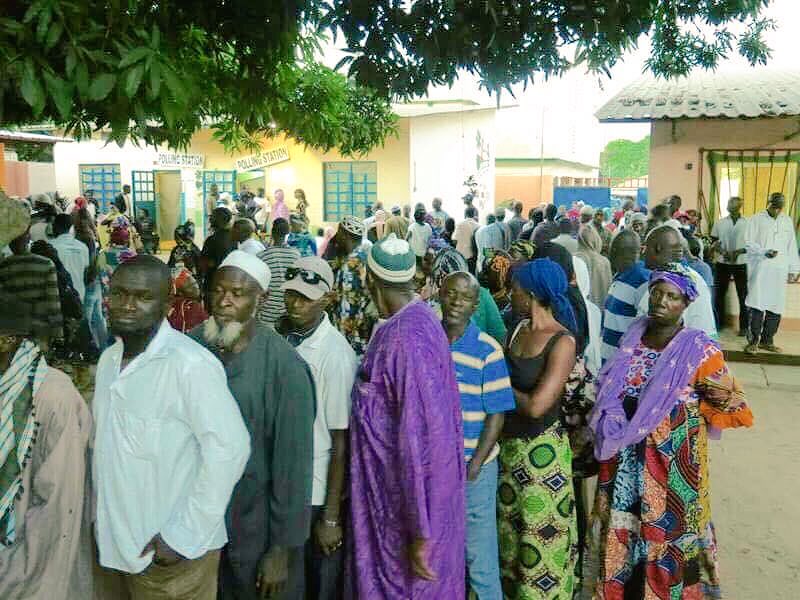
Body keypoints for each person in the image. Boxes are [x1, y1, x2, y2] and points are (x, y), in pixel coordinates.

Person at [589, 267, 753, 599]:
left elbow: (732, 404)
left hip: (671, 472)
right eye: (657, 293)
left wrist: (678, 415)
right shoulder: (633, 337)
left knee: (668, 542)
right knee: (623, 536)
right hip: (622, 466)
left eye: (672, 297)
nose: (662, 301)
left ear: (685, 304)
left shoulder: (698, 349)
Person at [93, 255, 250, 599]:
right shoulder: (108, 362)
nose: (127, 306)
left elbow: (231, 450)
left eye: (143, 297)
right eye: (119, 294)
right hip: (118, 548)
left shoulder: (189, 365)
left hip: (171, 560)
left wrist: (181, 537)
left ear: (166, 306)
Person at [191, 250, 315, 599]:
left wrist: (281, 550)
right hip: (201, 526)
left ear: (259, 299)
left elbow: (294, 468)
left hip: (257, 530)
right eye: (218, 290)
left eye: (237, 293)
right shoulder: (193, 347)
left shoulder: (284, 367)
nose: (224, 301)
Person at [347, 234, 465, 599]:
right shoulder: (422, 321)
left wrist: (420, 532)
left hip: (401, 514)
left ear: (370, 281)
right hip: (422, 502)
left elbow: (418, 439)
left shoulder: (402, 339)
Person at [0, 295, 93, 599]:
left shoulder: (53, 395)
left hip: (32, 556)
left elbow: (59, 503)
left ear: (7, 341)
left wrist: (25, 570)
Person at [276, 256, 358, 600]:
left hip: (317, 489)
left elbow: (341, 439)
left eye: (306, 297)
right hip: (285, 484)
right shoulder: (282, 337)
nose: (295, 303)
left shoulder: (334, 354)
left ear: (327, 298)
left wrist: (331, 517)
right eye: (291, 294)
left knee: (320, 585)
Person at [499, 258, 578, 599]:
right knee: (509, 541)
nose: (509, 294)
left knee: (539, 541)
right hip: (507, 452)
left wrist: (495, 383)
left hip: (542, 461)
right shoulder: (517, 329)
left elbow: (536, 406)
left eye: (514, 289)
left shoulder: (562, 342)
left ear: (530, 295)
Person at [440, 271, 514, 599]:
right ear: (440, 295)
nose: (457, 302)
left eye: (466, 297)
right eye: (451, 294)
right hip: (435, 467)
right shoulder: (429, 342)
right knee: (439, 554)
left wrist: (476, 464)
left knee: (479, 557)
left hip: (474, 469)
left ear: (475, 305)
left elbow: (496, 415)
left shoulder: (488, 350)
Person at [0, 198, 63, 346]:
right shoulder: (46, 264)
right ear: (28, 238)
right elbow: (53, 304)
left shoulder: (3, 266)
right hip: (39, 331)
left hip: (11, 331)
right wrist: (59, 335)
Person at [743, 192, 800, 354]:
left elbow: (791, 246)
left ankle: (767, 341)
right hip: (761, 269)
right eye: (774, 206)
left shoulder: (787, 221)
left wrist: (794, 269)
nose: (777, 210)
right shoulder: (756, 219)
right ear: (768, 203)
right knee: (757, 304)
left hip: (779, 270)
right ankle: (753, 341)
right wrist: (764, 252)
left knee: (776, 305)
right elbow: (748, 243)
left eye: (780, 207)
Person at [637, 226, 717, 338]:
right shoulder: (688, 276)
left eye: (645, 247)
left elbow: (652, 334)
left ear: (657, 248)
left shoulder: (668, 284)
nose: (642, 252)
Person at [428, 247, 507, 343]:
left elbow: (499, 335)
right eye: (451, 292)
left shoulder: (482, 295)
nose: (457, 301)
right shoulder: (481, 294)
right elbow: (499, 335)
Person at [327, 217, 377, 357]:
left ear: (345, 235)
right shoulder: (365, 255)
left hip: (351, 340)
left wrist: (341, 343)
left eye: (339, 233)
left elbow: (347, 310)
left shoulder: (350, 265)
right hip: (365, 332)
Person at [601, 230, 651, 363]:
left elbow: (646, 331)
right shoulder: (620, 276)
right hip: (608, 364)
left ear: (614, 251)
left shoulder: (642, 281)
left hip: (622, 366)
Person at [710, 196, 749, 335]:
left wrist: (739, 252)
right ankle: (718, 324)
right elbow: (713, 242)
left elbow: (752, 245)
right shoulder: (719, 223)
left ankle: (744, 327)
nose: (729, 205)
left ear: (739, 206)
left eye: (732, 203)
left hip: (741, 263)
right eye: (728, 202)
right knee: (719, 294)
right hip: (722, 262)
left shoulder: (748, 223)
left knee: (743, 295)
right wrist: (723, 252)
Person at [255, 218, 299, 328]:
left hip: (267, 316)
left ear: (272, 232)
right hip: (289, 316)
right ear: (287, 233)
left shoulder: (262, 256)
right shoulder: (296, 255)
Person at [200, 207, 236, 307]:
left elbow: (204, 263)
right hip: (231, 283)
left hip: (213, 284)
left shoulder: (211, 240)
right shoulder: (234, 238)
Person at [50, 213, 90, 303]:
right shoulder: (83, 247)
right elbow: (86, 273)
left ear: (56, 226)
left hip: (59, 297)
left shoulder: (51, 246)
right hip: (79, 294)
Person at [575, 224, 612, 308]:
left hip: (582, 312)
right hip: (601, 311)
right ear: (596, 239)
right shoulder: (605, 261)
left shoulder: (575, 259)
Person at [167, 267, 208, 333]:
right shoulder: (191, 307)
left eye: (195, 283)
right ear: (180, 293)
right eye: (190, 286)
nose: (196, 288)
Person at [453, 206, 481, 273]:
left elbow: (454, 241)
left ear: (465, 214)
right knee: (471, 276)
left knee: (461, 276)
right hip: (473, 257)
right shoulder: (479, 226)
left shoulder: (459, 224)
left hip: (461, 257)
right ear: (474, 214)